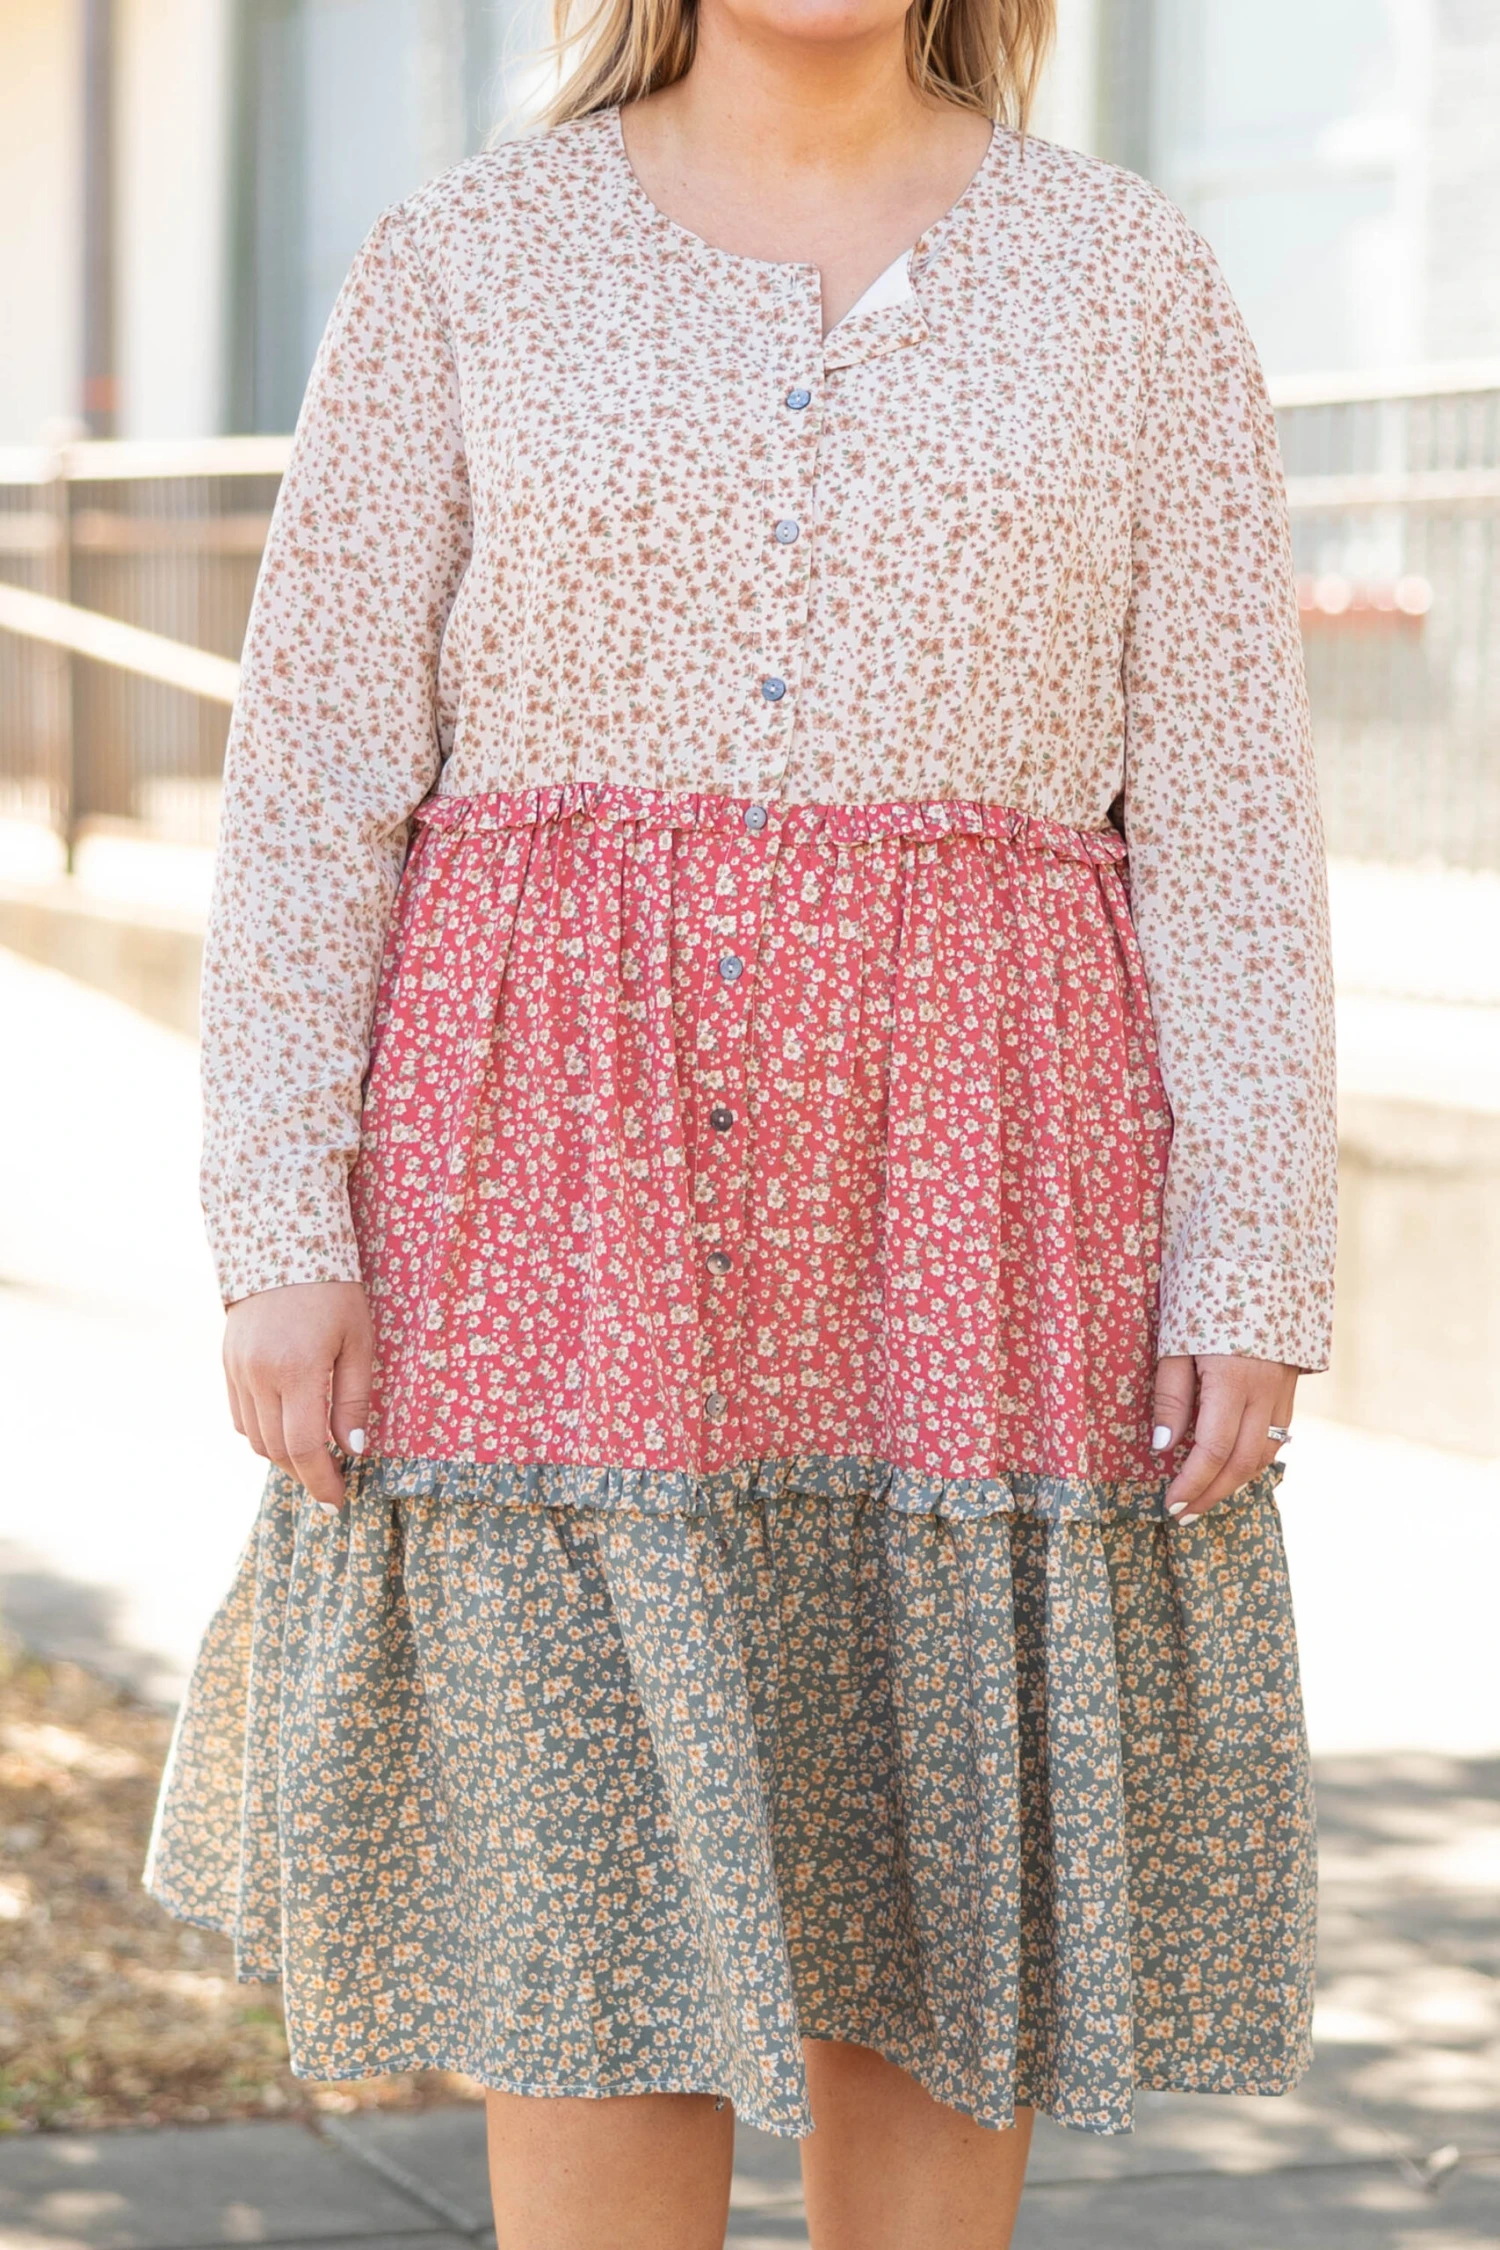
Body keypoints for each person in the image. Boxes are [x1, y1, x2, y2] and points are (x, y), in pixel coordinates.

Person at [145, 0, 1336, 2242]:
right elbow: (312, 778)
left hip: (995, 1201)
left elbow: (1232, 812)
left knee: (936, 1907)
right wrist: (275, 1217)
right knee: (588, 1934)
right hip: (543, 1192)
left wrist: (1253, 1247)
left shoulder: (1130, 275)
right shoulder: (462, 261)